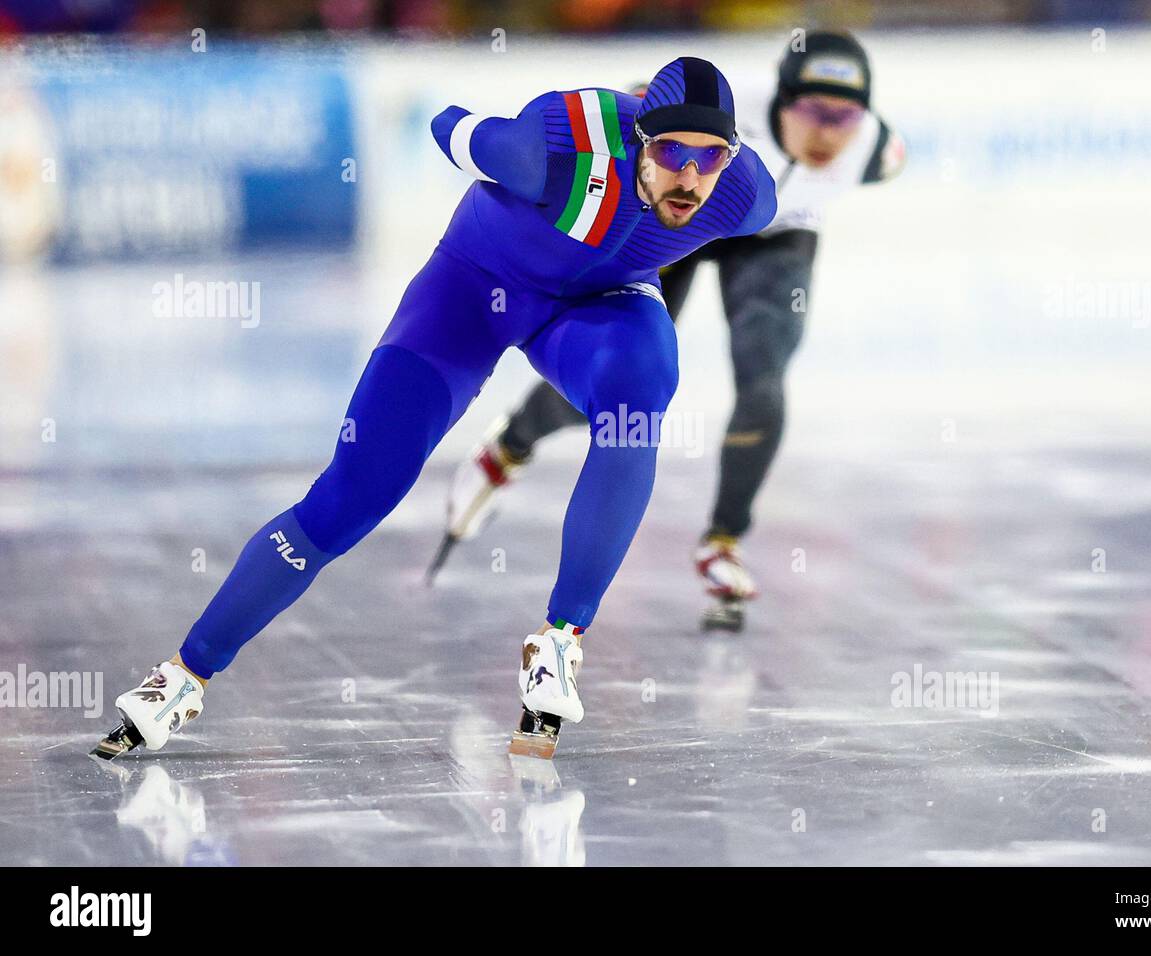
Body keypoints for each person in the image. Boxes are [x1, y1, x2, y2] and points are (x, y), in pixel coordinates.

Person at [94, 56, 777, 761]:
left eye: (711, 157)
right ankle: (184, 673)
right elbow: (449, 126)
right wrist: (437, 109)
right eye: (671, 152)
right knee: (352, 497)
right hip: (471, 292)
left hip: (598, 307)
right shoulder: (555, 149)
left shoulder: (745, 197)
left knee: (641, 393)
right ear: (640, 137)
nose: (690, 177)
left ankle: (562, 639)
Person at [432, 32, 905, 630]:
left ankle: (723, 542)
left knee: (764, 374)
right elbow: (632, 125)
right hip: (678, 218)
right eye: (813, 112)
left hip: (777, 238)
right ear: (780, 102)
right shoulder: (722, 124)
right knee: (619, 378)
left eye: (846, 116)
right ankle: (511, 445)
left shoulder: (877, 151)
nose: (829, 132)